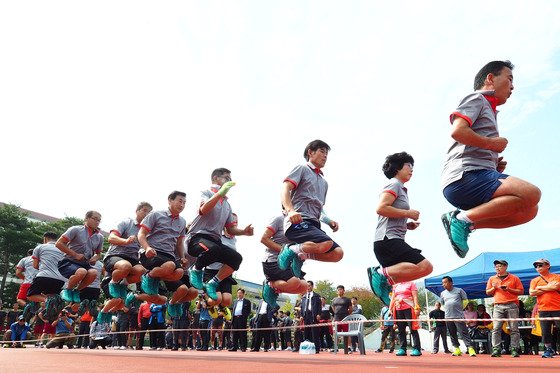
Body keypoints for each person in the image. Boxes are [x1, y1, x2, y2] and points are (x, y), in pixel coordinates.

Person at [441, 60, 541, 258]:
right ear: (490, 78)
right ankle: (461, 220)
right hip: (463, 177)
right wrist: (492, 144)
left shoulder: (490, 109)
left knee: (529, 211)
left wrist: (493, 165)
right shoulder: (477, 98)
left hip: (478, 174)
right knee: (531, 193)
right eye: (509, 79)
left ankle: (466, 223)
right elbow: (458, 131)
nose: (512, 86)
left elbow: (470, 144)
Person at [367, 152, 433, 306]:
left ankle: (384, 280)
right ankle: (379, 274)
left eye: (412, 166)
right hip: (386, 240)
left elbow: (389, 215)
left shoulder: (402, 189)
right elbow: (381, 208)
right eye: (408, 166)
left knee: (419, 269)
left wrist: (406, 224)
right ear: (397, 168)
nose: (411, 169)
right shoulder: (394, 184)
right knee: (425, 266)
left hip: (392, 239)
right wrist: (408, 213)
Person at [278, 140, 344, 279]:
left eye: (327, 153)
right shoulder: (302, 169)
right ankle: (290, 249)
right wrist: (290, 211)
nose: (325, 156)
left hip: (313, 224)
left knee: (337, 253)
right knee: (325, 243)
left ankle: (301, 254)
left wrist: (329, 221)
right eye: (322, 151)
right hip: (298, 220)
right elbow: (285, 188)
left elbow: (319, 208)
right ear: (310, 152)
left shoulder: (324, 182)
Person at [186, 168, 253, 301]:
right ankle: (196, 269)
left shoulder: (227, 205)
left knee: (236, 258)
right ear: (216, 178)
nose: (229, 181)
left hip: (215, 242)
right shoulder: (206, 193)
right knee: (213, 249)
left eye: (230, 179)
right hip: (197, 238)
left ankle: (213, 282)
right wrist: (219, 193)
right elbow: (203, 210)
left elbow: (230, 229)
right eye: (226, 178)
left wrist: (244, 232)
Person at [138, 191, 196, 318]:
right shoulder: (156, 214)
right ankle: (148, 276)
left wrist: (182, 257)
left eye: (184, 203)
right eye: (180, 201)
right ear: (170, 200)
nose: (182, 205)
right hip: (152, 252)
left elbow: (180, 243)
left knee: (179, 272)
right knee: (169, 266)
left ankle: (157, 280)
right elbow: (141, 234)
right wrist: (147, 248)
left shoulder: (182, 221)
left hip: (168, 255)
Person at [98, 202, 153, 323]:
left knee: (143, 272)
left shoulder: (148, 231)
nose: (146, 214)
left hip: (132, 260)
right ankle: (113, 283)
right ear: (137, 211)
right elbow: (111, 238)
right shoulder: (126, 223)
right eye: (144, 210)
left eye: (149, 212)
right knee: (125, 267)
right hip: (115, 256)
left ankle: (122, 284)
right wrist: (126, 241)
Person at [261, 210, 308, 307]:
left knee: (304, 287)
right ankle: (269, 284)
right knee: (295, 282)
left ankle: (275, 289)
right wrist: (285, 251)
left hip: (290, 263)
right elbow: (264, 239)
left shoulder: (302, 222)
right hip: (273, 261)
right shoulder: (278, 219)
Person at [56, 211, 103, 304]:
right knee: (82, 272)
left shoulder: (100, 237)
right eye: (94, 219)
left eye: (99, 220)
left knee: (94, 272)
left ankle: (76, 291)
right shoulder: (75, 229)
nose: (97, 222)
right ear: (86, 218)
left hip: (85, 263)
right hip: (69, 261)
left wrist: (95, 258)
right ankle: (67, 289)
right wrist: (75, 254)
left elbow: (98, 254)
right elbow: (59, 243)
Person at [485, 259, 523, 357]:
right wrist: (494, 288)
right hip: (497, 305)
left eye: (499, 266)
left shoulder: (514, 278)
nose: (497, 268)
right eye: (496, 266)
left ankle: (514, 349)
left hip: (512, 305)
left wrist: (509, 289)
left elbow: (521, 291)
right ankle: (496, 349)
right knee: (496, 328)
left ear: (506, 266)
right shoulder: (492, 278)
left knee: (514, 328)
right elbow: (488, 292)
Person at [26, 232, 66, 321]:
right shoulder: (62, 249)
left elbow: (35, 266)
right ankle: (55, 302)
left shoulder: (40, 247)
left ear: (45, 238)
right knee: (50, 295)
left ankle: (48, 300)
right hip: (60, 279)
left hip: (44, 276)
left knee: (30, 295)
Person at [529, 258, 560, 358]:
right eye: (536, 266)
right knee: (545, 330)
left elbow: (555, 287)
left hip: (557, 307)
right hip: (543, 309)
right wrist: (547, 287)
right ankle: (548, 349)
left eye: (540, 265)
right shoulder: (535, 280)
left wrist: (539, 288)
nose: (538, 267)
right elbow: (531, 293)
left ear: (548, 266)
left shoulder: (556, 276)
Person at [440, 276, 477, 356]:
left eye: (445, 282)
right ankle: (456, 349)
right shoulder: (442, 293)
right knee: (452, 333)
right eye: (442, 283)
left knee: (463, 332)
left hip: (458, 316)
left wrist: (459, 309)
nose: (443, 284)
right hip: (448, 317)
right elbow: (442, 304)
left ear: (451, 283)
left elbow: (465, 301)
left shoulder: (459, 290)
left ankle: (470, 348)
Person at [390, 281, 421, 356]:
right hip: (398, 309)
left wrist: (416, 307)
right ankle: (402, 348)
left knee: (413, 329)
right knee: (401, 330)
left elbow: (415, 296)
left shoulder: (411, 284)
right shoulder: (396, 285)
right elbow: (393, 298)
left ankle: (417, 348)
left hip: (409, 308)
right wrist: (390, 308)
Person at [300, 280, 322, 353]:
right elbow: (302, 307)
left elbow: (319, 306)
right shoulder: (303, 296)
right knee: (306, 332)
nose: (307, 287)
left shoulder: (317, 296)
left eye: (309, 285)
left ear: (312, 286)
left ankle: (317, 348)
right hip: (306, 315)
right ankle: (307, 348)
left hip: (314, 315)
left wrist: (319, 314)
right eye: (306, 286)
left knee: (314, 332)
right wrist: (301, 315)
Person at [331, 285, 352, 350]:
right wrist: (335, 316)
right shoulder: (334, 299)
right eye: (338, 290)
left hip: (345, 318)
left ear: (344, 291)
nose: (339, 291)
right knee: (336, 333)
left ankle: (349, 347)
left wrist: (346, 315)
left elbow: (350, 309)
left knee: (346, 333)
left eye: (341, 289)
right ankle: (336, 347)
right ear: (337, 291)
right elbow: (333, 309)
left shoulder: (347, 299)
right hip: (337, 319)